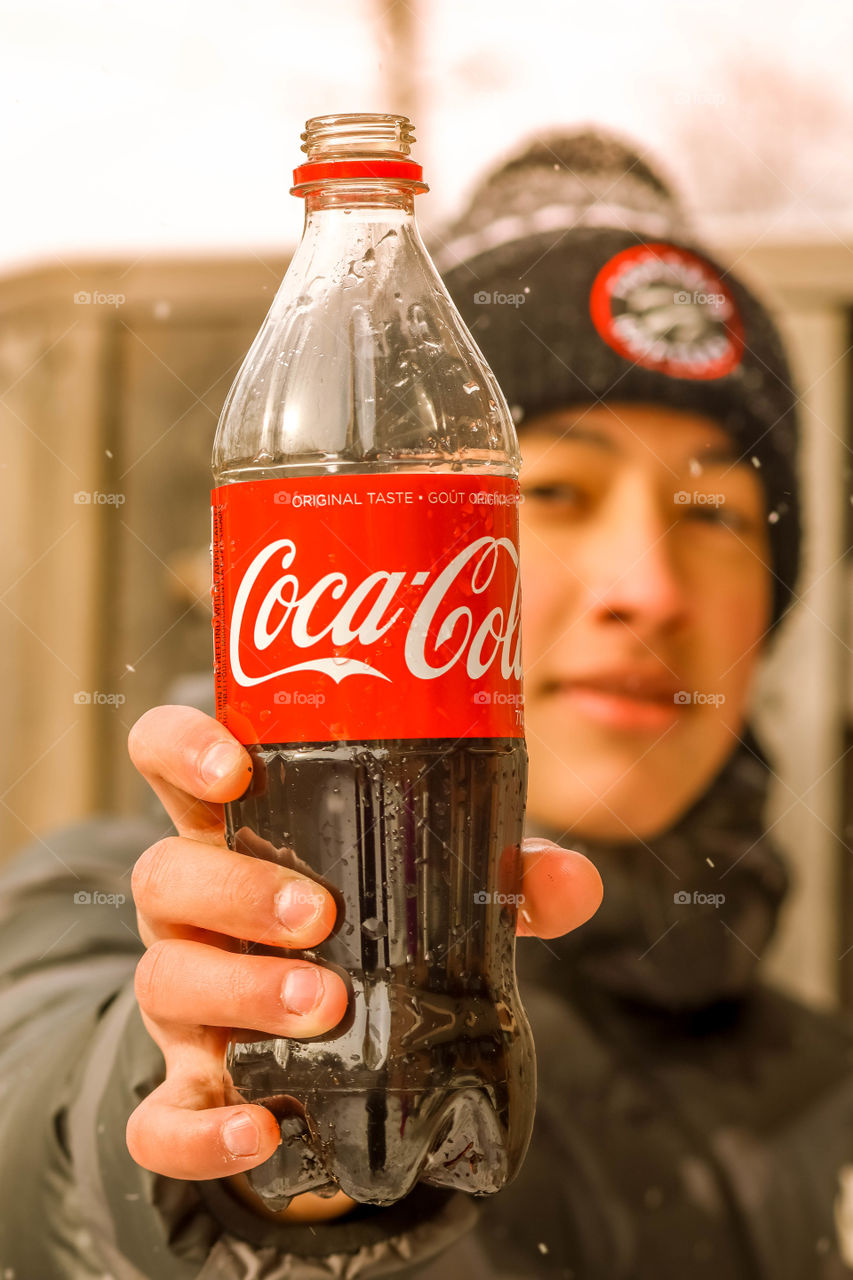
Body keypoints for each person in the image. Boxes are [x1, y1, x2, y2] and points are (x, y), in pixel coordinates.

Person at [1, 128, 852, 1280]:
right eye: (555, 489)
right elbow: (33, 1120)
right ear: (398, 541)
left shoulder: (823, 1066)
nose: (645, 589)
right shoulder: (108, 905)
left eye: (711, 513)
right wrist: (223, 1130)